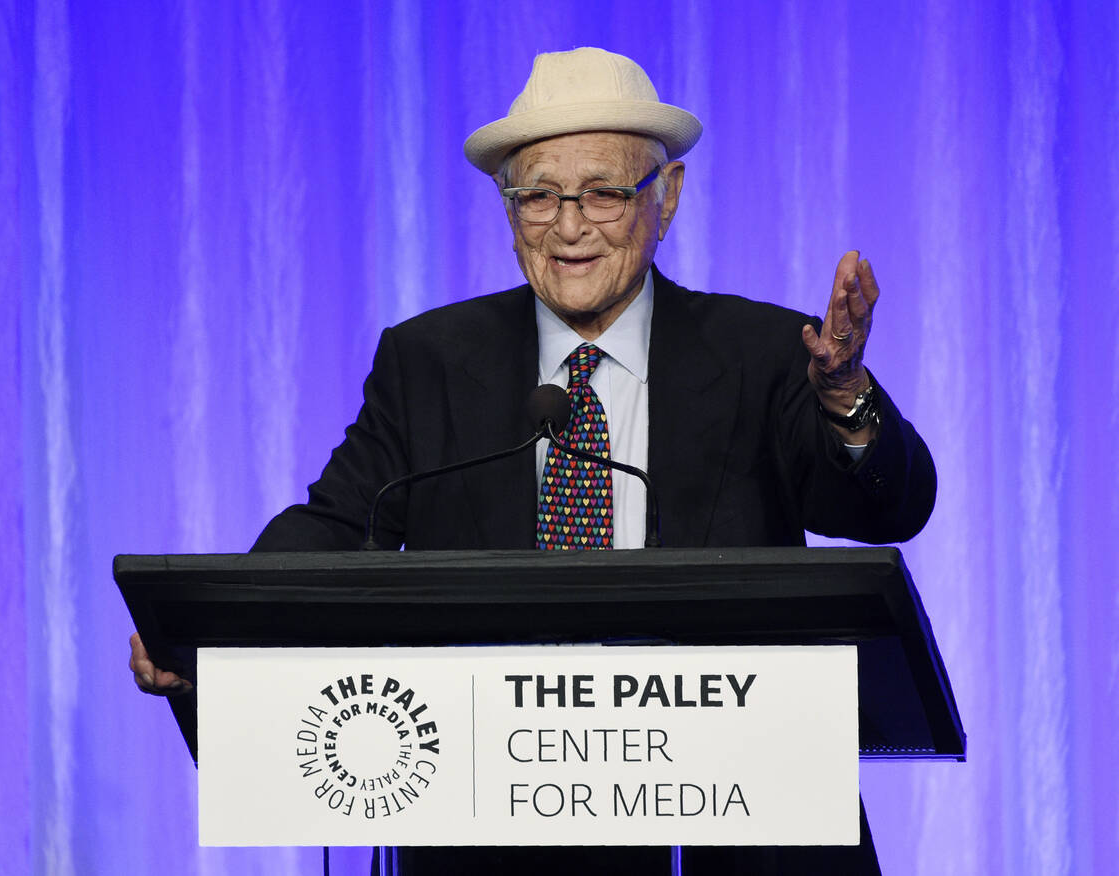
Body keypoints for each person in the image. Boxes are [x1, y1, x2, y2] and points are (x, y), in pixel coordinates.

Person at [130, 47, 935, 875]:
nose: (571, 225)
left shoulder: (764, 351)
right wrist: (208, 629)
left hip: (742, 831)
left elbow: (885, 507)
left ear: (668, 199)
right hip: (497, 832)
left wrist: (845, 399)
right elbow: (340, 525)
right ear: (507, 207)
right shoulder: (431, 360)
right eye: (540, 196)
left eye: (603, 192)